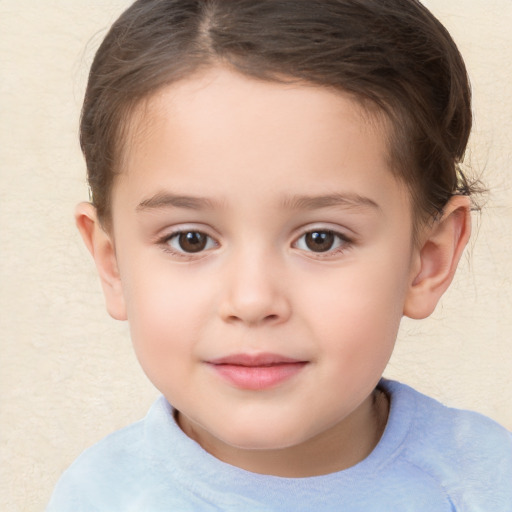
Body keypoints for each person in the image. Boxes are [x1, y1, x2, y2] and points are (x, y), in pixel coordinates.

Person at [47, 0, 512, 509]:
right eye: (190, 239)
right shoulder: (96, 498)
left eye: (321, 239)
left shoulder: (488, 484)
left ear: (427, 258)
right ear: (112, 265)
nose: (251, 300)